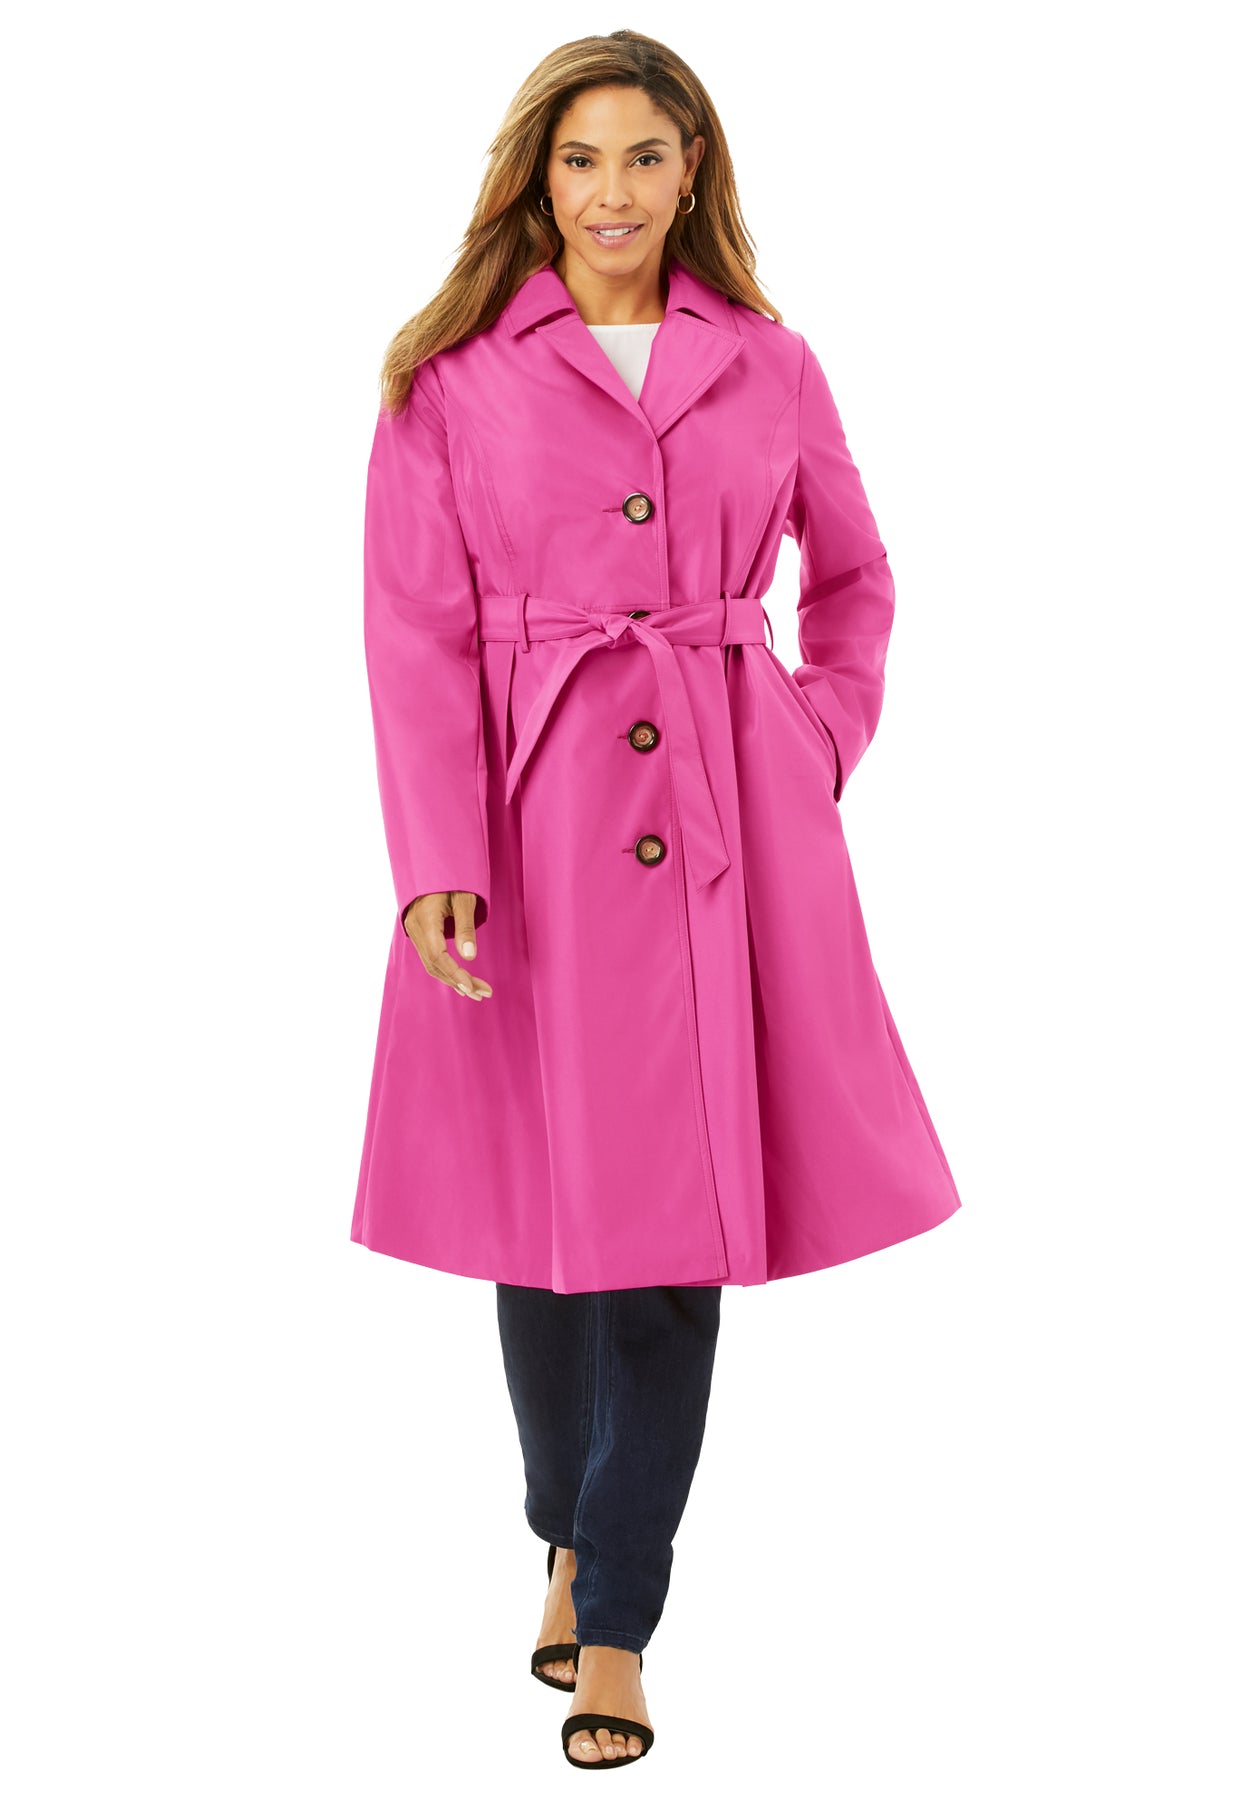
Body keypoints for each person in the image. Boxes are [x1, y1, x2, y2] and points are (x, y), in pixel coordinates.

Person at [351, 28, 962, 1771]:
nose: (611, 191)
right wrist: (438, 861)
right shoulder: (450, 378)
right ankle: (562, 1524)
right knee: (540, 1219)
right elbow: (413, 636)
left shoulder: (770, 363)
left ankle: (615, 1612)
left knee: (678, 1230)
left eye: (642, 155)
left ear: (694, 170)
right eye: (580, 159)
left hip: (725, 829)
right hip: (530, 830)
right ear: (535, 180)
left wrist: (814, 737)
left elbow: (855, 575)